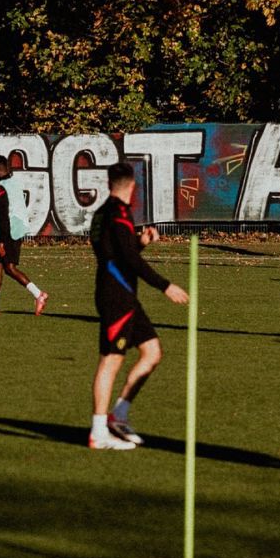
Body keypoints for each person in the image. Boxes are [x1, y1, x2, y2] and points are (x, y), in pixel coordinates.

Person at [88, 162, 188, 450]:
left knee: (152, 352)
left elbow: (117, 250)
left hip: (123, 295)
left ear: (108, 184)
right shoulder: (118, 213)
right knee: (111, 360)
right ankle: (98, 432)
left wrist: (140, 242)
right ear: (132, 186)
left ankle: (118, 416)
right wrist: (165, 286)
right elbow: (128, 260)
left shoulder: (102, 213)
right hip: (115, 296)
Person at [0, 155, 48, 316]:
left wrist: (1, 240)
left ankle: (38, 294)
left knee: (8, 268)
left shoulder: (1, 187)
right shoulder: (15, 183)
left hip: (8, 232)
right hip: (15, 229)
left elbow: (4, 214)